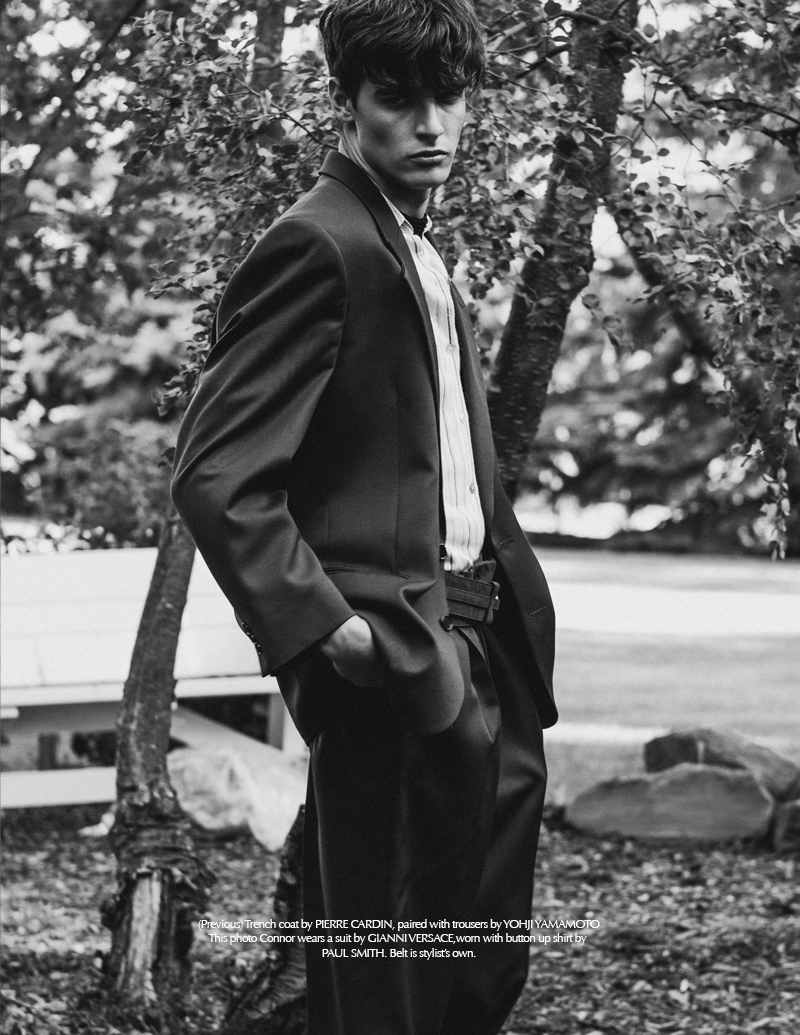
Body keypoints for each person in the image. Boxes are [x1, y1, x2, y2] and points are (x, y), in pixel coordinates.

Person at [171, 1, 556, 1032]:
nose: (430, 124)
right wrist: (332, 630)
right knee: (386, 985)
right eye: (397, 98)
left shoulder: (414, 249)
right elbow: (217, 474)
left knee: (478, 970)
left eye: (448, 97)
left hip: (485, 653)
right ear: (349, 104)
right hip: (393, 662)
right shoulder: (319, 243)